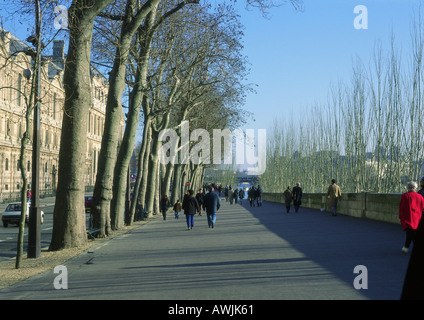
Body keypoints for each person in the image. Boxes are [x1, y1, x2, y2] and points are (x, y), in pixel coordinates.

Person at [399, 181, 424, 253]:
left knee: (411, 234)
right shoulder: (420, 197)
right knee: (411, 233)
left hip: (408, 218)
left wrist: (401, 217)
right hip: (417, 218)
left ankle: (407, 247)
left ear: (408, 187)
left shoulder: (405, 196)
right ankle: (406, 247)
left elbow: (402, 207)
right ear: (415, 188)